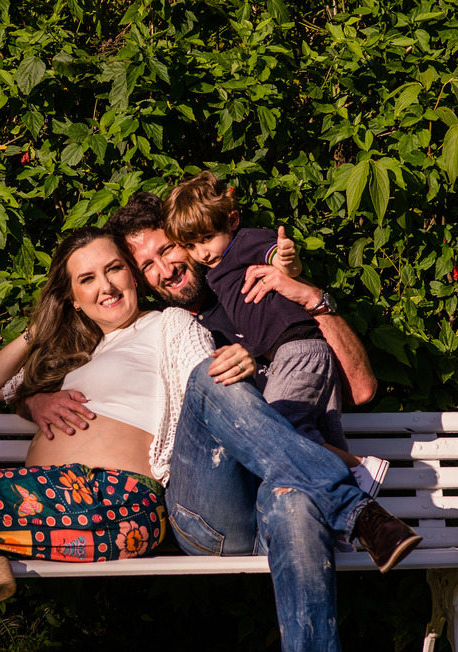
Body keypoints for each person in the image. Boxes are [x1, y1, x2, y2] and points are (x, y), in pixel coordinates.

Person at [17, 197, 415, 652]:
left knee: (295, 499)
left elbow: (360, 386)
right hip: (209, 511)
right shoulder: (165, 328)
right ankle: (356, 509)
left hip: (283, 496)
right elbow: (25, 383)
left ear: (191, 242)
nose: (163, 270)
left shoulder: (259, 287)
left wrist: (312, 299)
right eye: (146, 265)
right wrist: (34, 397)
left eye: (166, 252)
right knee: (212, 375)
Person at [163, 170, 387, 495]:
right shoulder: (213, 274)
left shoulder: (242, 245)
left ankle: (357, 467)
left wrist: (286, 262)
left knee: (276, 429)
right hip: (294, 352)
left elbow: (280, 263)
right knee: (318, 438)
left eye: (207, 239)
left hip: (296, 350)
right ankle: (351, 499)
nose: (202, 252)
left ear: (232, 220)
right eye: (191, 245)